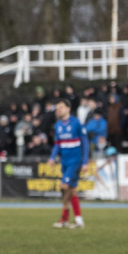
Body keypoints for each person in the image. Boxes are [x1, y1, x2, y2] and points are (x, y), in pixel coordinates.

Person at [47, 98, 89, 229]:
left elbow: (85, 143)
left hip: (75, 161)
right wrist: (52, 158)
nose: (58, 110)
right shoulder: (58, 126)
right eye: (57, 107)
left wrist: (85, 162)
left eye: (61, 107)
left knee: (64, 186)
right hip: (64, 162)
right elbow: (57, 145)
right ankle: (78, 220)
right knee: (72, 191)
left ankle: (64, 218)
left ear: (68, 109)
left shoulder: (76, 123)